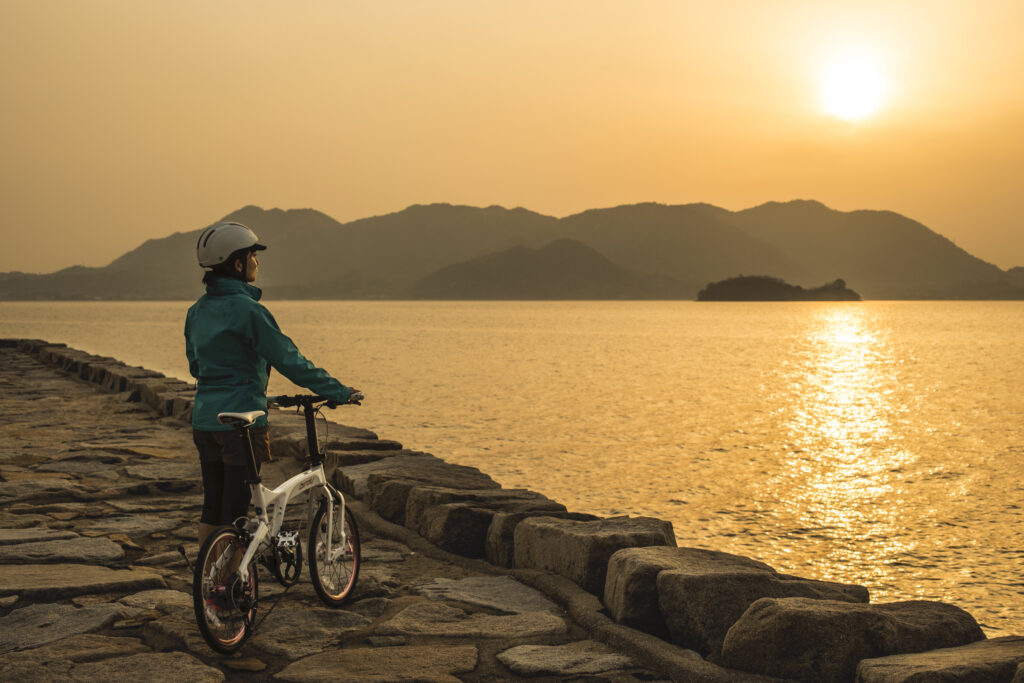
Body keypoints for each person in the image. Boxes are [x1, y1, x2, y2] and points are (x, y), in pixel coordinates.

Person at [185, 221, 361, 547]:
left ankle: (207, 577)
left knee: (213, 507)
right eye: (253, 255)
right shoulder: (250, 311)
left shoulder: (196, 312)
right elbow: (290, 360)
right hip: (241, 420)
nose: (257, 262)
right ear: (237, 263)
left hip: (205, 420)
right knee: (236, 511)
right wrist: (337, 391)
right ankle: (225, 587)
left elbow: (196, 366)